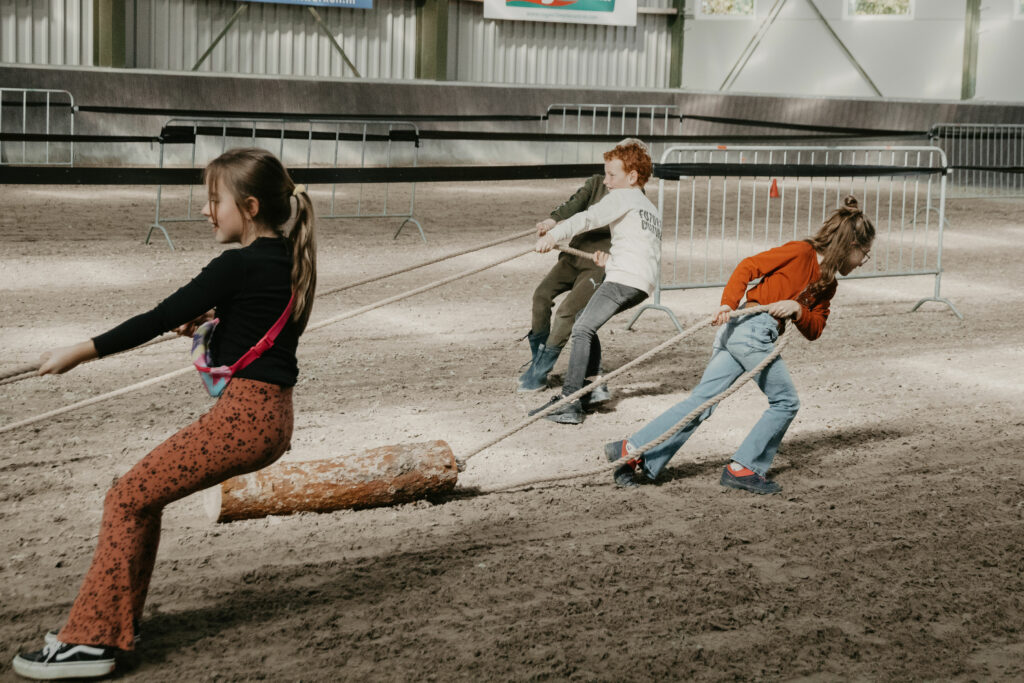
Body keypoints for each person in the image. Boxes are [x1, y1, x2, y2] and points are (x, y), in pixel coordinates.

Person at [12, 148, 317, 680]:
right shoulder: (283, 256)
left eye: (212, 200)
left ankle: (90, 644)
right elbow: (257, 323)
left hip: (245, 417)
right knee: (140, 499)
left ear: (247, 206)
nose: (204, 210)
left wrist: (76, 353)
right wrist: (215, 323)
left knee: (126, 498)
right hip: (271, 417)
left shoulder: (237, 264)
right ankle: (112, 624)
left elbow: (156, 317)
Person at [605, 195, 875, 494]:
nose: (863, 261)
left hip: (747, 334)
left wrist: (797, 310)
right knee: (786, 402)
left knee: (702, 403)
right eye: (865, 253)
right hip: (751, 329)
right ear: (852, 245)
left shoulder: (829, 284)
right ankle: (744, 467)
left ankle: (631, 451)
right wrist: (727, 303)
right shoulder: (801, 252)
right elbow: (748, 266)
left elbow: (815, 329)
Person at [529, 139, 662, 425]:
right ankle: (592, 387)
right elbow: (642, 248)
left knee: (581, 328)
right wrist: (610, 262)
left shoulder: (622, 196)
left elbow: (587, 218)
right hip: (640, 283)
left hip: (624, 280)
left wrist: (553, 236)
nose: (607, 181)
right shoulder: (649, 208)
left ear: (632, 177)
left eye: (612, 175)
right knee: (584, 319)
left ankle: (569, 401)